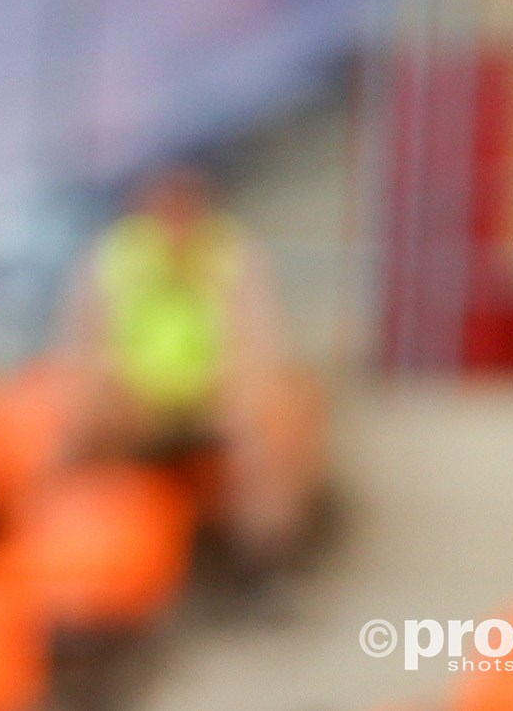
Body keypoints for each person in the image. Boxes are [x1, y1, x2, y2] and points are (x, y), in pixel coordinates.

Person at [53, 165, 320, 569]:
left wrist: (241, 390)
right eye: (164, 202)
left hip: (214, 396)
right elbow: (81, 344)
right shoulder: (115, 257)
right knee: (69, 433)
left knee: (268, 430)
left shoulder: (230, 255)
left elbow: (262, 343)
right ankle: (82, 559)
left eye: (184, 201)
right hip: (133, 398)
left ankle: (263, 564)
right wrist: (105, 389)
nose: (174, 215)